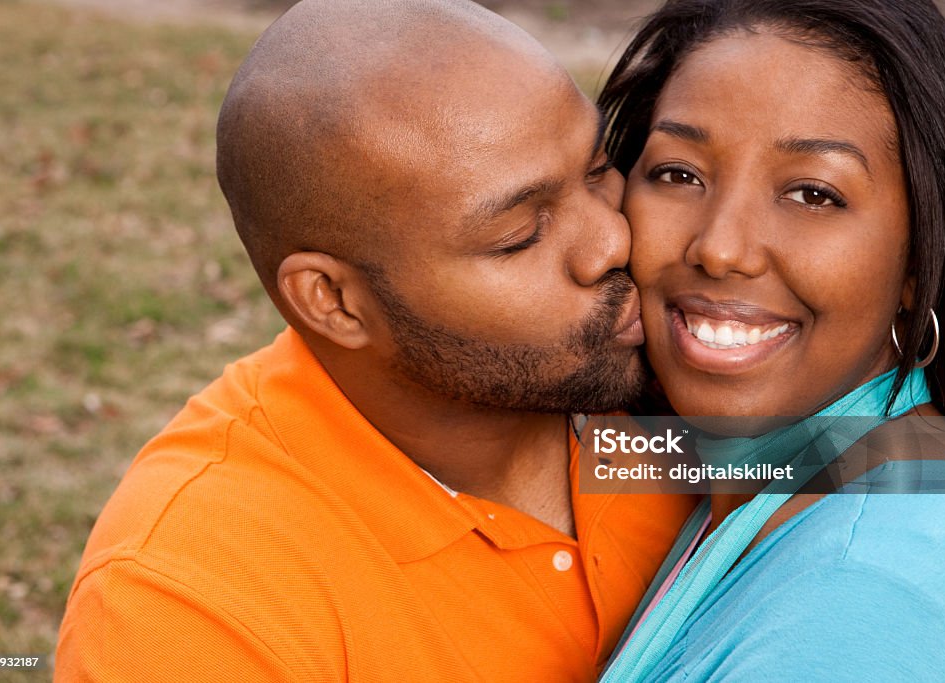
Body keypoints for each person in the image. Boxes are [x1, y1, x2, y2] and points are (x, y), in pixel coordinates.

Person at [54, 1, 699, 681]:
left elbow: (820, 473)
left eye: (597, 169)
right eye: (519, 237)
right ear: (333, 301)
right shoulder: (192, 604)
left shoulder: (652, 382)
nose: (613, 239)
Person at [595, 0, 945, 679]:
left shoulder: (865, 595)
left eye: (813, 194)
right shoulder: (752, 479)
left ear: (920, 259)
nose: (720, 247)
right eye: (679, 174)